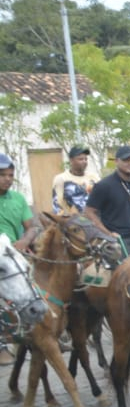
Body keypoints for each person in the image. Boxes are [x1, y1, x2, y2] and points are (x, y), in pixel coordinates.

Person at [0, 152, 37, 366]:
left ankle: (51, 329)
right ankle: (2, 344)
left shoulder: (18, 199)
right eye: (2, 175)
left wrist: (24, 241)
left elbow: (31, 228)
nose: (7, 179)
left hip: (16, 253)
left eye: (10, 175)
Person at [84, 145, 130, 253]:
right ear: (116, 161)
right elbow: (89, 212)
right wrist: (108, 234)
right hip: (118, 240)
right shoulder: (103, 185)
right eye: (126, 160)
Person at [52, 145, 97, 214]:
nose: (84, 161)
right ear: (71, 160)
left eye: (86, 159)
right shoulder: (61, 179)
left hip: (95, 217)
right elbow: (57, 205)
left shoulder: (93, 177)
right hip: (73, 219)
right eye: (80, 159)